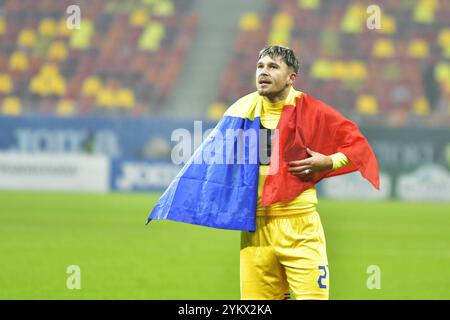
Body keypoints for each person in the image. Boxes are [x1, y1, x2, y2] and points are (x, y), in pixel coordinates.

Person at [148, 45, 379, 300]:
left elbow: (359, 146)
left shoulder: (312, 110)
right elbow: (210, 164)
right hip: (255, 228)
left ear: (291, 77)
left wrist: (330, 162)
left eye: (273, 67)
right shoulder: (240, 110)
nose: (263, 72)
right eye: (260, 66)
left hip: (299, 226)